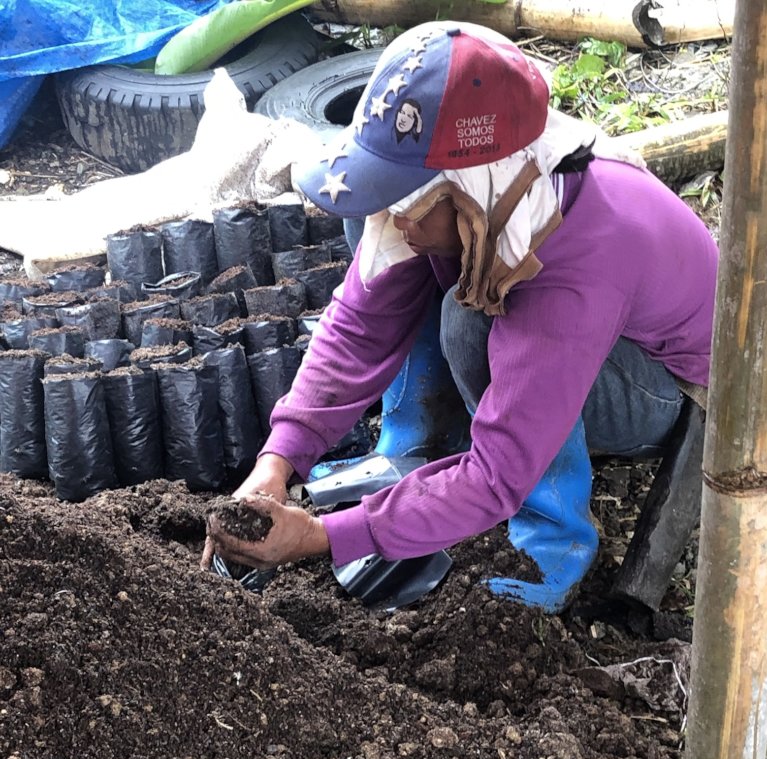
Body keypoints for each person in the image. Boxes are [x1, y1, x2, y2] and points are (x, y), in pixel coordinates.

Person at [205, 20, 716, 612]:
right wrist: (279, 462)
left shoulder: (574, 259)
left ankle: (549, 546)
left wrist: (325, 538)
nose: (398, 219)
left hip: (667, 394)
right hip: (577, 332)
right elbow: (361, 326)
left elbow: (500, 471)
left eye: (411, 201)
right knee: (382, 232)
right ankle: (415, 445)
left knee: (470, 322)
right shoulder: (496, 193)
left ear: (476, 185)